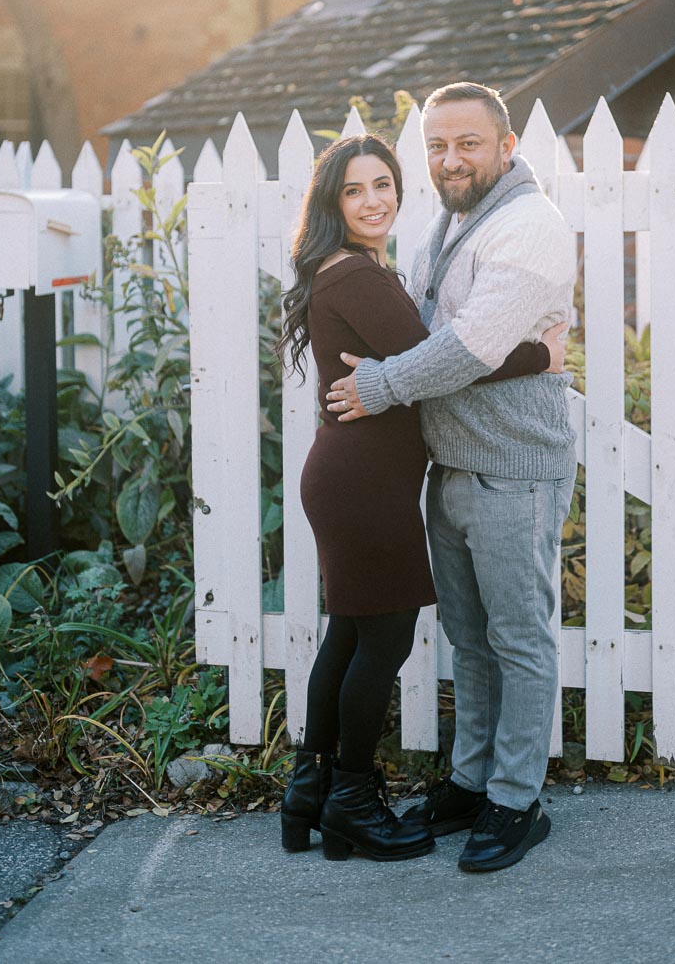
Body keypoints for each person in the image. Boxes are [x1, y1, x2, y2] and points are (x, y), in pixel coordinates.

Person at [277, 132, 566, 863]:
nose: (374, 201)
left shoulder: (344, 268)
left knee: (348, 635)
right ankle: (353, 802)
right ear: (331, 202)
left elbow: (420, 357)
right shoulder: (359, 277)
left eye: (383, 185)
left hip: (348, 477)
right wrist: (541, 353)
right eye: (355, 190)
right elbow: (445, 361)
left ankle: (308, 795)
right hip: (365, 485)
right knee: (381, 643)